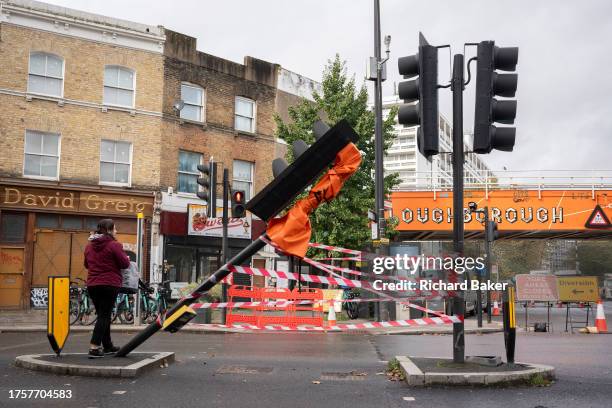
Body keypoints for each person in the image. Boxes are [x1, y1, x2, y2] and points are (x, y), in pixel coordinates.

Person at [84, 219, 130, 358]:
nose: (116, 231)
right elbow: (124, 264)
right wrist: (126, 258)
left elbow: (87, 265)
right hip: (109, 284)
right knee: (104, 316)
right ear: (109, 230)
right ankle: (94, 347)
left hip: (93, 284)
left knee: (102, 316)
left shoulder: (89, 246)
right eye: (115, 229)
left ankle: (108, 345)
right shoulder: (114, 245)